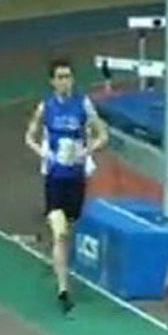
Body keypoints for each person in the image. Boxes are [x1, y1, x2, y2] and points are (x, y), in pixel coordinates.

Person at [24, 58, 109, 315]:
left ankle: (60, 268)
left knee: (67, 232)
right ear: (52, 81)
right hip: (54, 179)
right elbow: (29, 136)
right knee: (59, 232)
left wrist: (86, 150)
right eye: (59, 77)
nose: (64, 81)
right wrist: (44, 154)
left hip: (76, 178)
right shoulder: (46, 107)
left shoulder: (83, 105)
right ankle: (63, 290)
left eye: (68, 77)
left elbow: (103, 135)